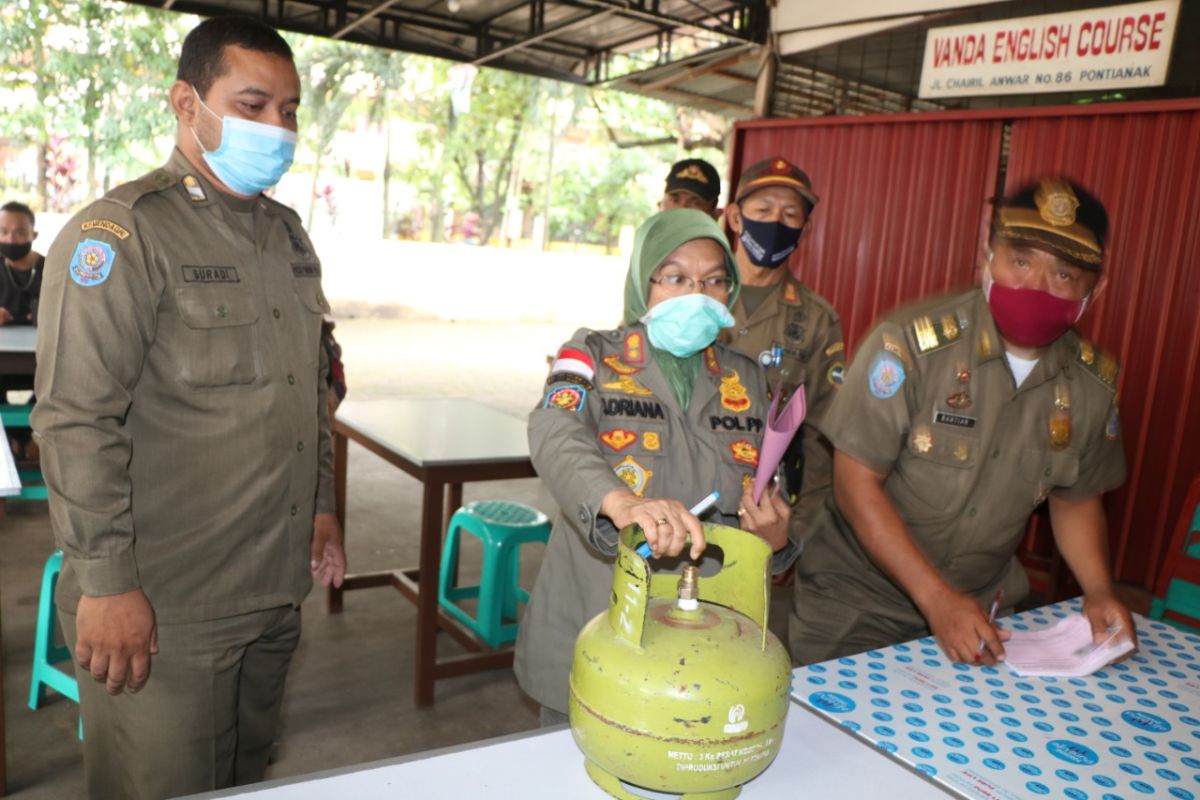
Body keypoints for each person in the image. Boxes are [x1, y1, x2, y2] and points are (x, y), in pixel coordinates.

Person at [31, 16, 346, 798]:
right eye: (252, 104)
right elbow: (74, 419)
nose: (277, 127)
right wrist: (104, 583)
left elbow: (309, 393)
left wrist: (322, 505)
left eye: (290, 110)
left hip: (272, 590)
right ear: (185, 102)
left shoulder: (288, 236)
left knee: (244, 776)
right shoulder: (123, 234)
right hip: (166, 603)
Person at [790, 177, 1135, 666]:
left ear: (1095, 289)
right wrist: (935, 599)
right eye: (1019, 261)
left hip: (983, 615)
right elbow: (855, 484)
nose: (1035, 285)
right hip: (856, 607)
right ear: (986, 257)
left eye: (1063, 274)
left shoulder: (1090, 386)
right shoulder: (909, 346)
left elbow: (1075, 498)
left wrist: (1099, 590)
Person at [515, 208, 792, 723]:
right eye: (676, 277)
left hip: (708, 625)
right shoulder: (590, 354)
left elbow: (770, 490)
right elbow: (553, 429)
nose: (696, 294)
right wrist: (623, 501)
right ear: (644, 284)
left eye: (713, 280)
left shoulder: (749, 379)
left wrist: (775, 538)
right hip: (599, 611)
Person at [720, 157, 844, 563]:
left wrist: (796, 534)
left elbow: (824, 437)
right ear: (736, 218)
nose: (776, 223)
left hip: (760, 513)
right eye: (763, 210)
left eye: (791, 215)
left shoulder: (816, 320)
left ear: (805, 230)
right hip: (677, 492)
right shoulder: (695, 293)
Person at [1, 200, 44, 457]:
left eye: (19, 232)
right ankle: (11, 444)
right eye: (3, 231)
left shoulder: (52, 269)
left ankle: (26, 439)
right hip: (4, 361)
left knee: (57, 386)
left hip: (41, 359)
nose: (10, 238)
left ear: (33, 235)